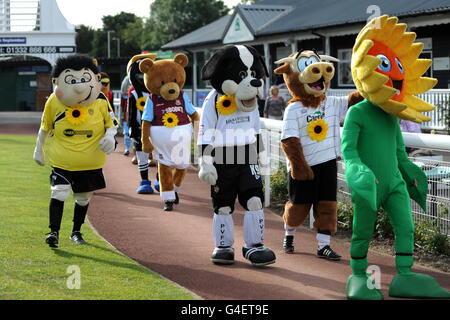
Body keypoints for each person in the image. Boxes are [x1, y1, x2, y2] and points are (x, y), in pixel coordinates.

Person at [33, 55, 118, 248]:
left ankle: (76, 231)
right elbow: (44, 127)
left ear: (95, 79)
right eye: (71, 80)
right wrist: (39, 150)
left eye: (85, 79)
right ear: (57, 82)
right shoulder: (54, 101)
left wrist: (110, 136)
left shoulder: (101, 100)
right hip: (62, 159)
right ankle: (53, 231)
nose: (79, 87)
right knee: (59, 192)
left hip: (90, 161)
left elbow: (111, 124)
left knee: (83, 198)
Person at [120, 75, 132, 156]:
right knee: (127, 133)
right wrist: (120, 118)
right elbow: (122, 107)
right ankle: (127, 148)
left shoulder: (135, 93)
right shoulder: (123, 96)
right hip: (126, 118)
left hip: (134, 118)